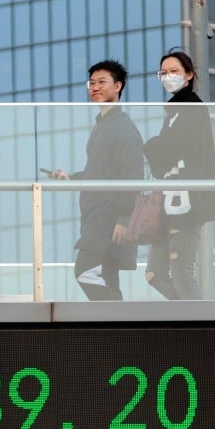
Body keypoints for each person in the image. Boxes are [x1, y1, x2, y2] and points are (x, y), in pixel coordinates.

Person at [49, 59, 144, 300]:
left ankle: (118, 319)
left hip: (110, 218)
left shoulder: (123, 128)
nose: (95, 87)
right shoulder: (103, 126)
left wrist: (124, 219)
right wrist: (70, 178)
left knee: (85, 272)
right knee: (107, 278)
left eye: (102, 82)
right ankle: (117, 322)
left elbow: (133, 175)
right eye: (91, 83)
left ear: (118, 86)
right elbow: (99, 172)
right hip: (98, 216)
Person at [142, 49, 215, 300]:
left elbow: (178, 147)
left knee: (182, 273)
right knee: (154, 274)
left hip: (188, 204)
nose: (168, 76)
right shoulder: (173, 113)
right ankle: (188, 315)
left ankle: (199, 321)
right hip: (167, 203)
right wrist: (157, 148)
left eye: (174, 71)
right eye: (163, 73)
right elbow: (161, 161)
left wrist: (153, 146)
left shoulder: (193, 107)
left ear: (188, 75)